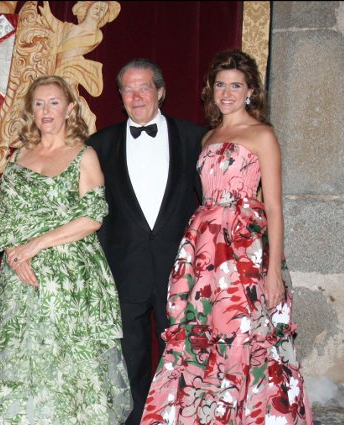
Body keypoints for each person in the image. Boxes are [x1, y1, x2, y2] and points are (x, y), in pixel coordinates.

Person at [140, 49, 313, 424]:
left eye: (236, 85)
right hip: (204, 250)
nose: (227, 92)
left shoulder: (262, 135)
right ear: (211, 90)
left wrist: (272, 273)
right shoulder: (208, 138)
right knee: (203, 336)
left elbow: (274, 207)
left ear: (250, 90)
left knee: (244, 335)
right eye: (220, 85)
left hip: (246, 251)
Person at [0, 75, 131, 424]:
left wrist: (35, 245)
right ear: (30, 111)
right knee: (24, 362)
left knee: (68, 368)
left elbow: (93, 217)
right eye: (39, 103)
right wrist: (14, 253)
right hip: (22, 281)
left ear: (70, 109)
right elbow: (0, 216)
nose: (46, 111)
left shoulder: (84, 155)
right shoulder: (19, 155)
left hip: (71, 282)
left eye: (53, 102)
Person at [86, 58, 206, 425]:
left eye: (144, 88)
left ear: (161, 92)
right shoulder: (98, 145)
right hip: (124, 271)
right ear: (120, 96)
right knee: (130, 361)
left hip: (181, 270)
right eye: (128, 89)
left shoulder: (195, 138)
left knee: (185, 358)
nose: (136, 96)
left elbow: (208, 203)